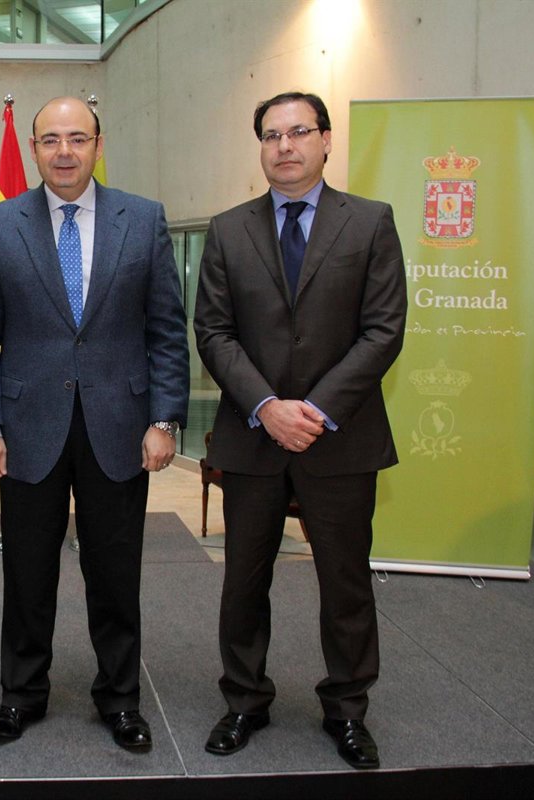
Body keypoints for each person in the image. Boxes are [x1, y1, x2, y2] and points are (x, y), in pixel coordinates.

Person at [0, 97, 190, 750]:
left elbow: (166, 330)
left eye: (78, 138)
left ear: (98, 144)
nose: (65, 151)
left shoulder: (142, 219)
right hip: (26, 428)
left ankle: (120, 700)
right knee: (26, 576)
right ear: (34, 148)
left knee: (115, 577)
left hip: (120, 427)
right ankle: (20, 696)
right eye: (51, 140)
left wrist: (164, 418)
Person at [193, 91, 407, 770]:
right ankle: (244, 701)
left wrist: (313, 409)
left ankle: (347, 710)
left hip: (339, 437)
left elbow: (384, 330)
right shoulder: (228, 229)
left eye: (298, 132)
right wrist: (267, 406)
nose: (284, 146)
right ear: (260, 147)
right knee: (243, 582)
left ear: (326, 139)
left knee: (345, 584)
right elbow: (213, 332)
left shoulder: (370, 222)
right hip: (253, 436)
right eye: (271, 135)